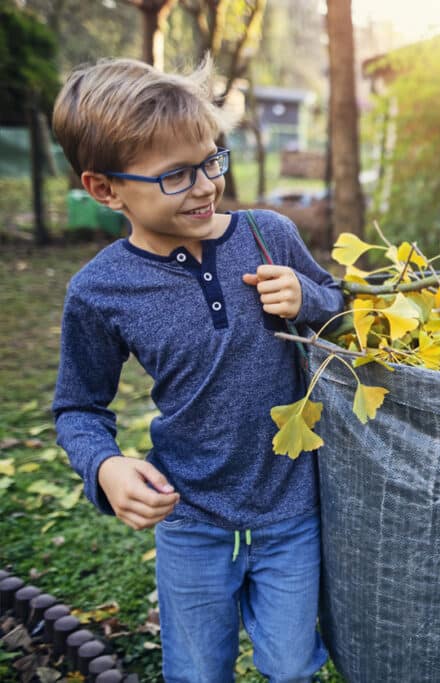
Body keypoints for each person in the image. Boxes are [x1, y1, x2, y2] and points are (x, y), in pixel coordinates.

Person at [50, 57, 342, 682]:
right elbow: (78, 406)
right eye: (177, 175)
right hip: (189, 518)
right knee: (197, 672)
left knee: (292, 667)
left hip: (290, 509)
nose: (207, 185)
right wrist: (103, 466)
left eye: (212, 159)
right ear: (105, 189)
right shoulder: (100, 290)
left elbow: (338, 307)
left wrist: (309, 299)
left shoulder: (270, 235)